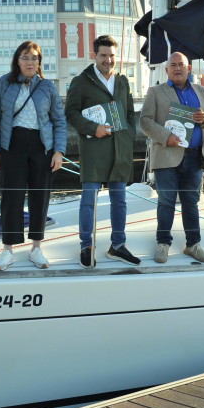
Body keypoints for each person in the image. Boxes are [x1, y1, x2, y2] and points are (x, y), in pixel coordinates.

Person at [0, 41, 66, 270]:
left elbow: (59, 121)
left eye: (34, 58)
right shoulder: (4, 83)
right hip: (11, 145)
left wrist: (58, 151)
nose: (30, 62)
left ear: (39, 62)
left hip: (42, 147)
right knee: (11, 196)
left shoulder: (48, 87)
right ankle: (8, 250)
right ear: (17, 60)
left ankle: (36, 248)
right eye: (25, 57)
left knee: (40, 197)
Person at [64, 35, 139, 268]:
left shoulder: (123, 81)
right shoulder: (81, 81)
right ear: (94, 56)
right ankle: (86, 246)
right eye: (103, 55)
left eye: (112, 56)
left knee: (120, 200)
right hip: (94, 149)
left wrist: (127, 137)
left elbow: (128, 114)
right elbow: (71, 113)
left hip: (119, 151)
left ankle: (118, 245)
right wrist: (92, 128)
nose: (108, 60)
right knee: (89, 201)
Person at [140, 52, 204, 263]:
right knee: (166, 202)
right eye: (173, 65)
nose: (177, 68)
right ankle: (163, 244)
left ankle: (193, 244)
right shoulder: (155, 92)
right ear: (166, 70)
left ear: (189, 68)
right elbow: (145, 121)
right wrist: (166, 137)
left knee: (191, 203)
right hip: (166, 156)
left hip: (194, 157)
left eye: (181, 65)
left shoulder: (203, 92)